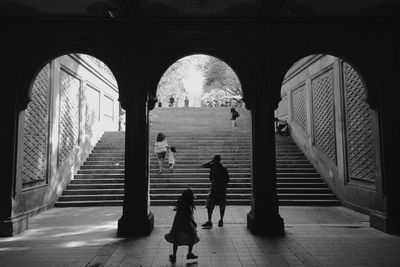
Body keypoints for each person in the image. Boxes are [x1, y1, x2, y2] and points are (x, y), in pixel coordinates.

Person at [165, 188, 199, 263]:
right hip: (186, 224)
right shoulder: (187, 205)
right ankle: (189, 253)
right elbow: (188, 216)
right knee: (192, 236)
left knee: (176, 239)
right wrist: (193, 223)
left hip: (178, 224)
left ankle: (174, 255)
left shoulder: (181, 203)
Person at [201, 155, 230, 228]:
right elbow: (203, 165)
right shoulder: (213, 167)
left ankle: (220, 220)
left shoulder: (223, 169)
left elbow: (227, 180)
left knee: (221, 205)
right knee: (210, 205)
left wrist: (221, 186)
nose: (214, 161)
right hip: (214, 189)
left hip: (220, 189)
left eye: (215, 160)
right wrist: (211, 161)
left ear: (218, 160)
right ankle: (210, 220)